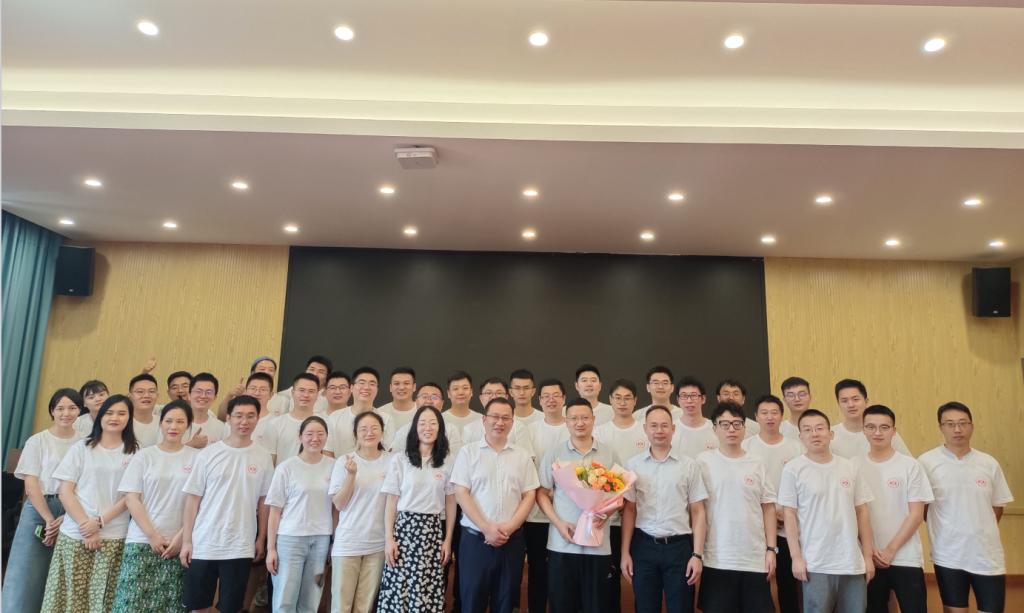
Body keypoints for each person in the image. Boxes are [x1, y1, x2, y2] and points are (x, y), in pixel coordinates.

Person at [41, 394, 138, 612]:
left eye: (122, 413)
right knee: (68, 598)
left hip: (114, 535)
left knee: (103, 600)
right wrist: (86, 526)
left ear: (129, 418)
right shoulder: (81, 448)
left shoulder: (135, 452)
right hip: (75, 533)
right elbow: (65, 491)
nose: (115, 418)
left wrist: (99, 522)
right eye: (109, 412)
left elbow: (130, 497)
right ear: (100, 416)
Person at [180, 395, 274, 613]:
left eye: (250, 416)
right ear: (228, 418)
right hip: (204, 541)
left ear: (257, 419)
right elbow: (192, 500)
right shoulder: (208, 454)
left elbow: (264, 502)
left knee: (231, 607)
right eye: (239, 416)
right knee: (198, 606)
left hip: (240, 544)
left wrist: (261, 538)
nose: (244, 421)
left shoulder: (263, 457)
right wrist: (187, 541)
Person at [919, 401, 1014, 613]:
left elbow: (997, 505)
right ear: (941, 427)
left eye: (963, 423)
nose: (957, 429)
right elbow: (923, 509)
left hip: (987, 554)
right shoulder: (926, 462)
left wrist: (979, 527)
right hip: (948, 554)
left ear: (972, 426)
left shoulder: (988, 463)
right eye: (950, 424)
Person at [778, 409, 874, 613]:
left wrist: (867, 556)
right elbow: (789, 514)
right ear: (800, 436)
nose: (814, 433)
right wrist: (796, 557)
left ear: (831, 434)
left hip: (851, 561)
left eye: (820, 428)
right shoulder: (793, 469)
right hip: (815, 562)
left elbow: (862, 511)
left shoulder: (849, 467)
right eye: (807, 429)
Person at [452, 398, 539, 613]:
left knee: (506, 602)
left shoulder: (522, 456)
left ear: (512, 422)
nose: (500, 422)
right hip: (475, 540)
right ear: (484, 419)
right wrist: (486, 527)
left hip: (511, 541)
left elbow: (530, 494)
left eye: (505, 418)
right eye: (495, 417)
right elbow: (461, 492)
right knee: (472, 602)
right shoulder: (468, 452)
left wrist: (510, 527)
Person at [111, 400, 199, 612]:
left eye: (180, 422)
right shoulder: (144, 455)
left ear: (188, 425)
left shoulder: (198, 458)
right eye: (168, 421)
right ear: (161, 423)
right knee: (130, 604)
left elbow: (200, 502)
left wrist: (182, 537)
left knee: (171, 605)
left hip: (179, 545)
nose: (173, 426)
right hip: (142, 540)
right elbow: (131, 498)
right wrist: (152, 535)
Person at [3, 389, 84, 613]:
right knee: (26, 570)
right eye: (60, 408)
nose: (66, 413)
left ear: (80, 411)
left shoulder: (85, 443)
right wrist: (49, 519)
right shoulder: (38, 441)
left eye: (72, 408)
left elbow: (87, 484)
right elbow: (31, 485)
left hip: (74, 511)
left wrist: (66, 516)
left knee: (62, 572)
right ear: (52, 411)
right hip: (40, 507)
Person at [537, 397, 620, 613]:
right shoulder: (554, 454)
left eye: (585, 418)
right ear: (566, 421)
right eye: (574, 418)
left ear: (593, 419)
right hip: (562, 545)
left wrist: (604, 514)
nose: (579, 423)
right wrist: (558, 523)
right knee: (562, 606)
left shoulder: (609, 453)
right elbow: (542, 493)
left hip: (598, 547)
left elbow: (619, 495)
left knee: (597, 607)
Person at [620, 406, 706, 613]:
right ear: (645, 429)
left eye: (664, 425)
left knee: (681, 608)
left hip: (679, 548)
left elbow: (698, 511)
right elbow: (629, 510)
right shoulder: (633, 465)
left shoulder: (689, 465)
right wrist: (625, 553)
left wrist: (697, 555)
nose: (659, 430)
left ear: (673, 429)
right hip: (644, 546)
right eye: (654, 425)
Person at [696, 402, 776, 613]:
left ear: (744, 427)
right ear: (715, 428)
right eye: (724, 424)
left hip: (754, 558)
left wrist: (771, 549)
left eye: (736, 424)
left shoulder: (757, 463)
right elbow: (697, 510)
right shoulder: (703, 462)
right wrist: (697, 553)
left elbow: (768, 508)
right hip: (716, 558)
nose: (731, 429)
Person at [852, 405, 932, 613]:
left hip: (906, 557)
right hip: (868, 558)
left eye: (884, 427)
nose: (877, 433)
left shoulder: (910, 465)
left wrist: (890, 550)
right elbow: (852, 514)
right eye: (871, 427)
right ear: (863, 430)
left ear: (894, 431)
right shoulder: (852, 466)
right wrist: (869, 551)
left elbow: (917, 514)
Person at [377, 406, 457, 613]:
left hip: (432, 531)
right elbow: (391, 501)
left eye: (433, 423)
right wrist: (389, 539)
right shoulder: (401, 460)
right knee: (399, 588)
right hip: (404, 531)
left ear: (440, 428)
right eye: (422, 423)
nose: (427, 428)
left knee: (426, 588)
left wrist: (447, 539)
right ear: (415, 428)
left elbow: (450, 502)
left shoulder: (447, 461)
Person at [741, 394, 804, 613]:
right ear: (756, 417)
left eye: (774, 413)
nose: (769, 417)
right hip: (756, 528)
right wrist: (766, 514)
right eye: (764, 413)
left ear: (781, 416)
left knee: (789, 584)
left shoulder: (796, 447)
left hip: (789, 527)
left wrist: (785, 513)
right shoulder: (746, 446)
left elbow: (804, 486)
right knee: (759, 584)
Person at [266, 415, 335, 613]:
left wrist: (334, 541)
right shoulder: (286, 468)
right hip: (290, 539)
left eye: (320, 434)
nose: (315, 438)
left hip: (321, 539)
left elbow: (336, 508)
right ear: (300, 437)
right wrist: (271, 548)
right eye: (309, 434)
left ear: (327, 437)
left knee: (311, 600)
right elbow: (274, 511)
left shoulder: (334, 465)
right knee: (285, 600)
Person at [593, 378, 647, 613]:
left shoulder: (645, 429)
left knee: (641, 579)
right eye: (618, 398)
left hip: (641, 516)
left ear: (635, 401)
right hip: (609, 517)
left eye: (627, 398)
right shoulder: (600, 431)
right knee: (609, 578)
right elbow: (595, 471)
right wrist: (614, 501)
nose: (622, 402)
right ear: (610, 400)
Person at [330, 411, 391, 613]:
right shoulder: (344, 461)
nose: (369, 433)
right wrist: (351, 475)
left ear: (382, 432)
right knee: (341, 606)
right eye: (363, 429)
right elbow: (339, 504)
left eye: (374, 428)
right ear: (355, 433)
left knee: (364, 606)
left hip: (377, 544)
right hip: (348, 542)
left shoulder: (393, 461)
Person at [523, 378, 570, 613]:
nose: (551, 400)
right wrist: (545, 491)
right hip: (537, 514)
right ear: (539, 400)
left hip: (569, 513)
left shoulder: (572, 426)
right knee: (538, 570)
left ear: (564, 399)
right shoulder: (530, 430)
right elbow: (528, 466)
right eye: (546, 396)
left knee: (565, 573)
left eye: (556, 395)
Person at [831, 379, 910, 458]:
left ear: (866, 401)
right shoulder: (830, 435)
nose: (851, 405)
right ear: (838, 404)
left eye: (855, 399)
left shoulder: (885, 431)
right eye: (844, 401)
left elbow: (908, 461)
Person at [326, 367, 395, 456]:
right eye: (362, 383)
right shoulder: (334, 417)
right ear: (351, 388)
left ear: (377, 389)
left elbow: (389, 454)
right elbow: (327, 452)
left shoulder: (386, 419)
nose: (366, 387)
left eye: (372, 384)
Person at [262, 373, 323, 464]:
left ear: (317, 395)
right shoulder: (275, 424)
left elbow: (327, 457)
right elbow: (269, 461)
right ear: (292, 392)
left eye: (311, 391)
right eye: (301, 390)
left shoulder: (325, 423)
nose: (306, 395)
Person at [671, 377, 718, 458]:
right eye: (684, 396)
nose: (689, 401)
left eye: (694, 395)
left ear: (703, 399)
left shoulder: (716, 429)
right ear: (678, 400)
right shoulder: (670, 429)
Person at [179, 372, 225, 449]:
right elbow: (166, 452)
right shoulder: (175, 423)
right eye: (198, 391)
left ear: (215, 397)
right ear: (189, 395)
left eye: (208, 392)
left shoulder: (221, 427)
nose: (203, 396)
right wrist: (191, 445)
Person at [444, 371, 480, 440]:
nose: (461, 392)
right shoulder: (439, 419)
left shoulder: (481, 420)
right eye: (455, 389)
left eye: (465, 388)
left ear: (471, 392)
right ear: (448, 393)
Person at [129, 373, 161, 447]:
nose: (146, 395)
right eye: (140, 392)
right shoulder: (122, 423)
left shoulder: (164, 423)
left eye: (151, 391)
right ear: (130, 396)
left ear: (157, 395)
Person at [779, 377, 812, 441]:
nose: (797, 399)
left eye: (802, 394)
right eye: (791, 395)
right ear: (784, 400)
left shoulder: (824, 428)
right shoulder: (779, 430)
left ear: (810, 397)